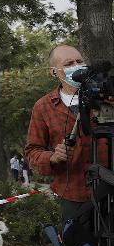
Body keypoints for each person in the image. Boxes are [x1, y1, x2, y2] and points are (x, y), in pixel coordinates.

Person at [24, 45, 110, 232]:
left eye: (79, 61)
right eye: (69, 63)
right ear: (54, 71)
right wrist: (52, 157)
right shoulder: (43, 107)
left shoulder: (107, 98)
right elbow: (32, 152)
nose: (76, 66)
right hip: (71, 197)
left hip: (109, 193)